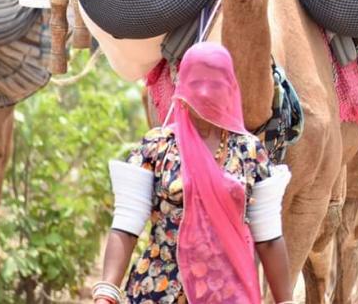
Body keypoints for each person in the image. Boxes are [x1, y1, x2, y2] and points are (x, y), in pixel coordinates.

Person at [92, 42, 294, 304]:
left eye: (216, 82)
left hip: (228, 293)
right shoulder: (157, 147)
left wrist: (286, 301)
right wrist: (106, 291)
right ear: (182, 86)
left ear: (231, 88)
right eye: (198, 81)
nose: (206, 91)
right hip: (160, 289)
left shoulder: (249, 152)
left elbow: (268, 238)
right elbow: (126, 226)